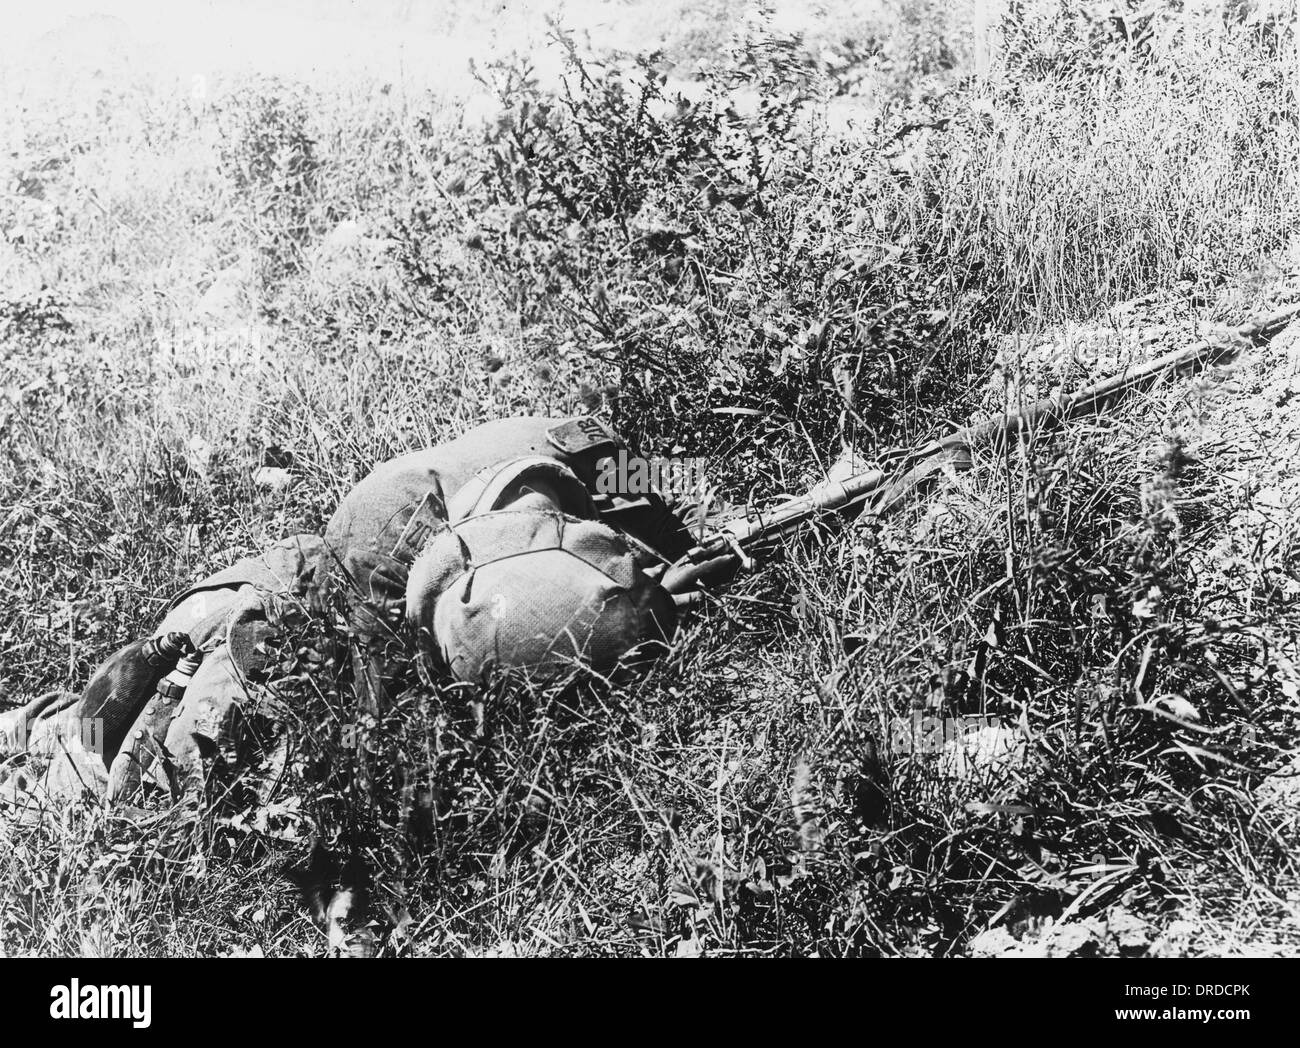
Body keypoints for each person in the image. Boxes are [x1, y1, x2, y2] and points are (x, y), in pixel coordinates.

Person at [0, 416, 689, 812]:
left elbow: (670, 514)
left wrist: (645, 591)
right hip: (267, 634)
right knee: (120, 787)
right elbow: (406, 730)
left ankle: (34, 728)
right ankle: (30, 746)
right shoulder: (380, 538)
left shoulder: (581, 452)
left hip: (303, 602)